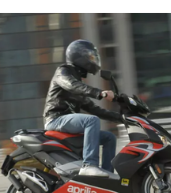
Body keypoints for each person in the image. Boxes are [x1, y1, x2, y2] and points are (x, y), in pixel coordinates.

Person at [43, 39, 126, 177]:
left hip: (66, 122)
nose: (94, 60)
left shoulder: (78, 82)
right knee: (91, 121)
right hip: (55, 119)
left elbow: (95, 109)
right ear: (79, 56)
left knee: (109, 137)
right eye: (91, 56)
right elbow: (71, 85)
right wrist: (100, 93)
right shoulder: (63, 71)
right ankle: (89, 165)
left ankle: (107, 175)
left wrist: (123, 118)